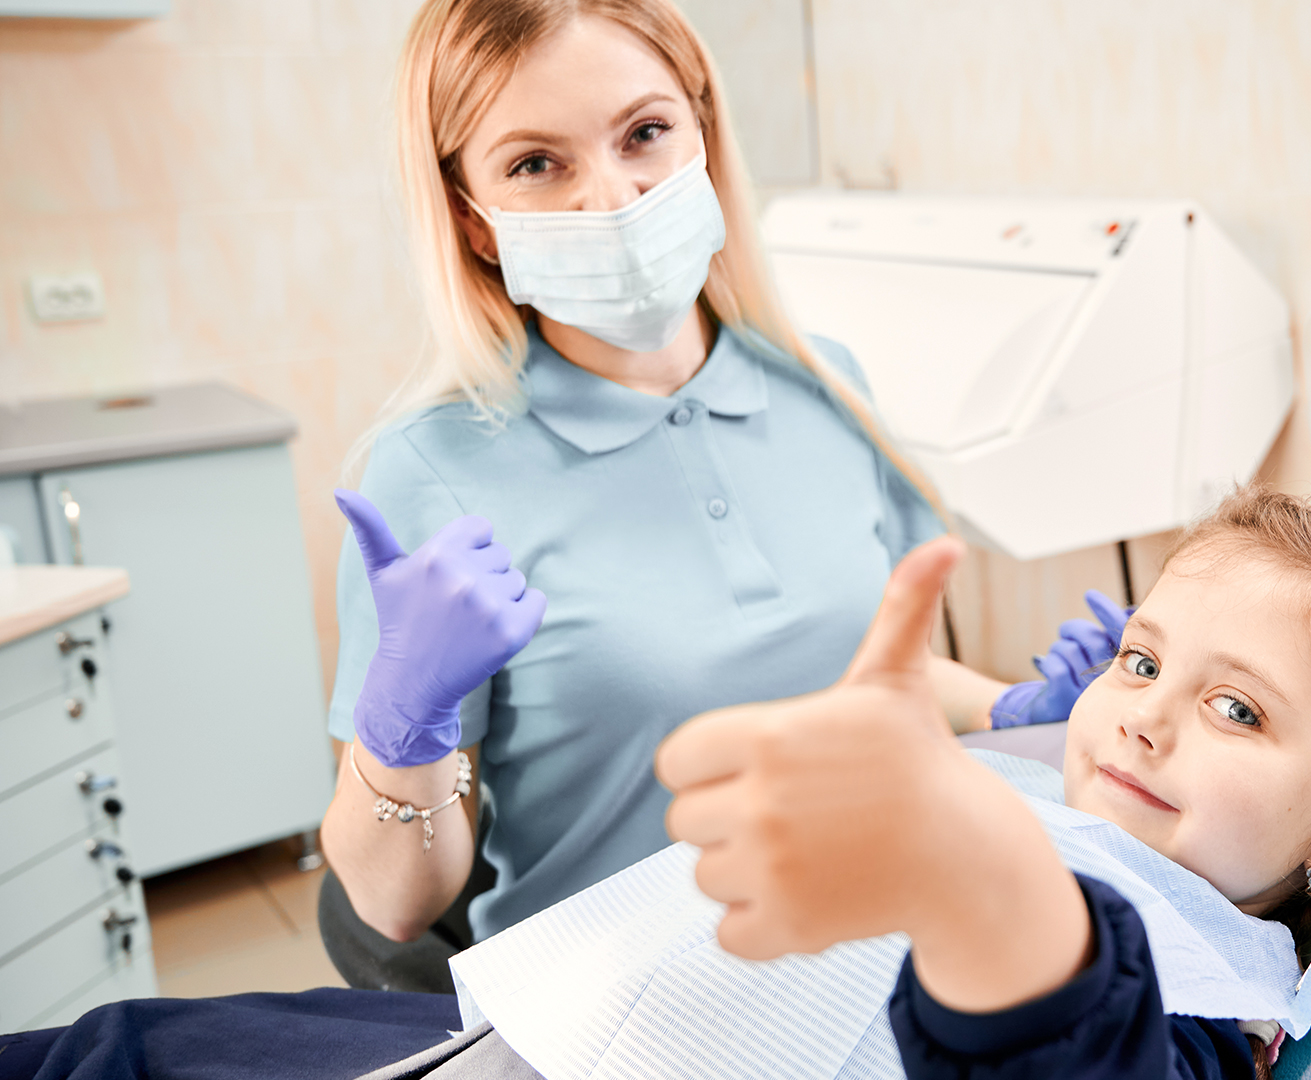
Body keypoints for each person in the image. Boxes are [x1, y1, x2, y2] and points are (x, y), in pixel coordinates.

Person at [4, 488, 1311, 1080]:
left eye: (1237, 708)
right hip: (511, 1020)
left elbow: (1056, 1050)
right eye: (1143, 662)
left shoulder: (1201, 990)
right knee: (109, 1049)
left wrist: (973, 856)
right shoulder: (1054, 780)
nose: (1145, 719)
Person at [316, 0, 1108, 983]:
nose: (609, 196)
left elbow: (860, 677)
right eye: (535, 164)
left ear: (704, 134)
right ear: (475, 220)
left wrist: (1021, 706)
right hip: (625, 1004)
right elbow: (395, 908)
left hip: (862, 953)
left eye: (644, 133)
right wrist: (407, 724)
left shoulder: (829, 386)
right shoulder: (430, 470)